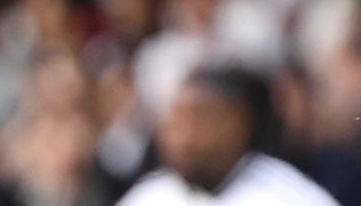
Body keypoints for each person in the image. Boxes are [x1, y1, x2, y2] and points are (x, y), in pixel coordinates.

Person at [117, 66, 338, 206]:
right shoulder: (151, 195)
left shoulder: (288, 197)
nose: (182, 136)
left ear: (239, 123)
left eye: (197, 119)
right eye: (176, 119)